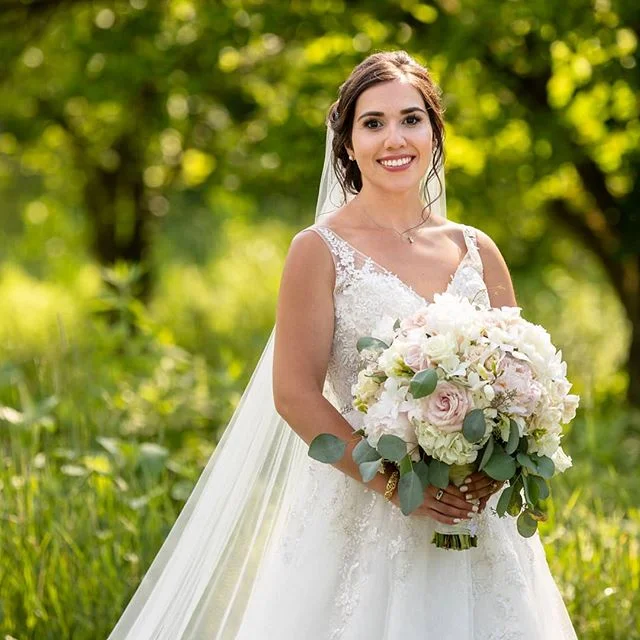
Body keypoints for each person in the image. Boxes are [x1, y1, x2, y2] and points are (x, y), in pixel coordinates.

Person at [107, 50, 577, 639]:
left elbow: (522, 382)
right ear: (348, 145)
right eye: (372, 123)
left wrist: (493, 472)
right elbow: (295, 396)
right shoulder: (319, 250)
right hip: (364, 515)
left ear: (434, 131)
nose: (394, 139)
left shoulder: (478, 250)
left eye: (411, 119)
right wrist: (398, 488)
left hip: (476, 517)